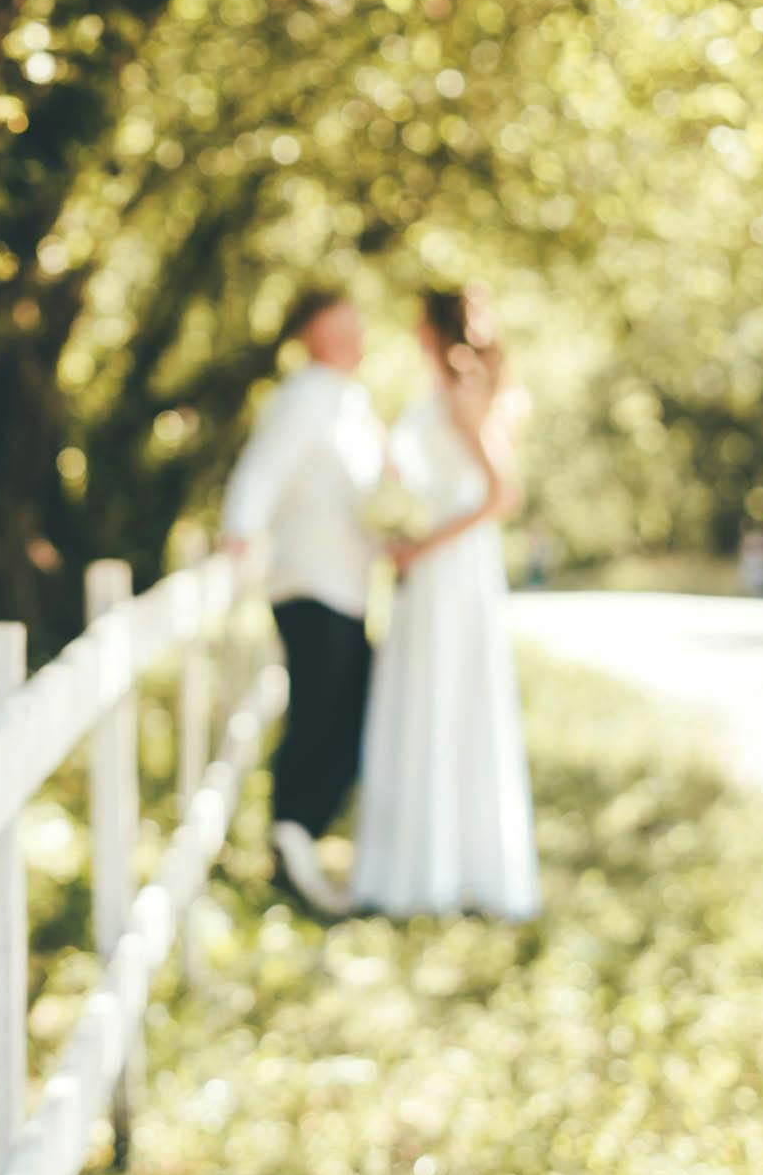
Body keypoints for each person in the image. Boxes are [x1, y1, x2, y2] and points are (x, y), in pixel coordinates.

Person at [348, 284, 540, 920]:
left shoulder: (462, 397)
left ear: (433, 329)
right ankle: (413, 868)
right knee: (419, 700)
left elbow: (499, 496)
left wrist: (422, 545)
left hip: (452, 571)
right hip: (426, 571)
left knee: (451, 700)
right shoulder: (433, 396)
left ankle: (449, 872)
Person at [218, 287, 384, 914]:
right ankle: (292, 843)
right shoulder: (305, 396)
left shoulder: (353, 402)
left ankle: (300, 839)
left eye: (356, 325)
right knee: (321, 713)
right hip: (308, 582)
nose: (354, 337)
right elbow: (262, 470)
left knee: (347, 710)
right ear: (311, 335)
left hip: (347, 583)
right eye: (339, 326)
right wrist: (239, 529)